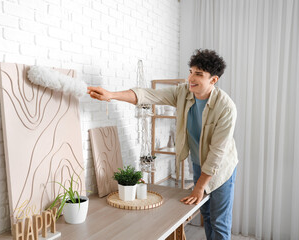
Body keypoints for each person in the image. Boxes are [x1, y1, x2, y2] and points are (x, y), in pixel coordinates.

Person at [87, 49, 238, 240]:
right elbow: (149, 95)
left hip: (220, 169)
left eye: (198, 74)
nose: (191, 78)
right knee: (206, 215)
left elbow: (217, 153)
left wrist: (199, 186)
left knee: (219, 221)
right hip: (199, 163)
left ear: (213, 80)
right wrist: (111, 95)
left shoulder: (226, 107)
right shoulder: (183, 92)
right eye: (190, 71)